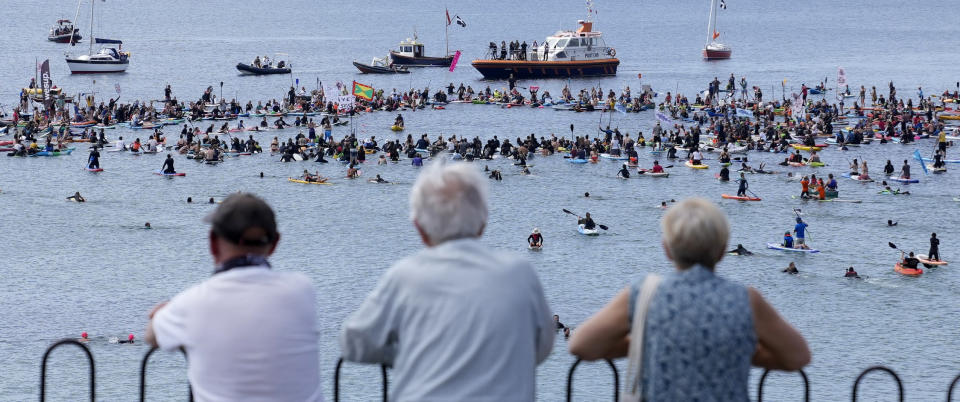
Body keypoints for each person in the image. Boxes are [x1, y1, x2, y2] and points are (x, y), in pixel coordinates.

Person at [340, 161, 554, 400]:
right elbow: (543, 346)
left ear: (419, 228)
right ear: (483, 223)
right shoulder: (520, 273)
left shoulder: (404, 276)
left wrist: (411, 352)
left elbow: (353, 343)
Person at [568, 198, 810, 400]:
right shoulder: (747, 300)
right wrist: (735, 348)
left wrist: (655, 342)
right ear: (722, 249)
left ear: (666, 249)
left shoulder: (644, 293)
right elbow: (797, 356)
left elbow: (582, 345)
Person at [145, 193, 323, 401]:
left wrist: (165, 313)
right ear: (274, 244)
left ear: (212, 243)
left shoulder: (192, 303)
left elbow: (151, 336)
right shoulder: (303, 290)